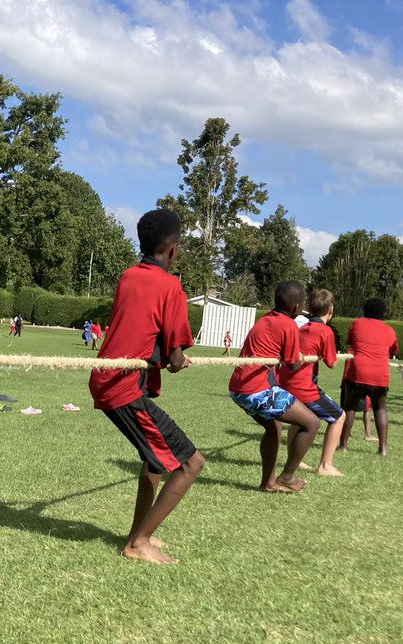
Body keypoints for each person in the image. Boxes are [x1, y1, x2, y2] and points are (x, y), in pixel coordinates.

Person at [88, 209, 204, 564]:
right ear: (173, 248)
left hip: (109, 378)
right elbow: (174, 357)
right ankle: (139, 543)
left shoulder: (127, 276)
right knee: (190, 464)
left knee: (153, 463)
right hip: (123, 387)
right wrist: (179, 359)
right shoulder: (170, 286)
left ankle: (139, 530)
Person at [229, 281, 321, 491]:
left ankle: (267, 483)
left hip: (238, 389)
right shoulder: (288, 325)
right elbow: (294, 364)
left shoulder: (266, 319)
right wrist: (300, 357)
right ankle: (287, 477)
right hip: (257, 391)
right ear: (297, 307)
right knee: (312, 423)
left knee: (274, 427)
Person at [277, 287, 344, 476]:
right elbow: (331, 363)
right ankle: (326, 466)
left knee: (300, 420)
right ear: (331, 310)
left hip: (286, 382)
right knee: (339, 417)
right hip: (303, 387)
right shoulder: (325, 332)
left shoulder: (300, 327)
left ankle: (295, 460)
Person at [338, 297, 398, 455]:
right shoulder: (389, 330)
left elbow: (350, 341)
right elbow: (393, 350)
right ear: (383, 314)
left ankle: (343, 445)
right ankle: (383, 448)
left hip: (358, 371)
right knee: (380, 408)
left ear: (365, 311)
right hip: (380, 374)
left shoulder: (356, 324)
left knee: (350, 407)